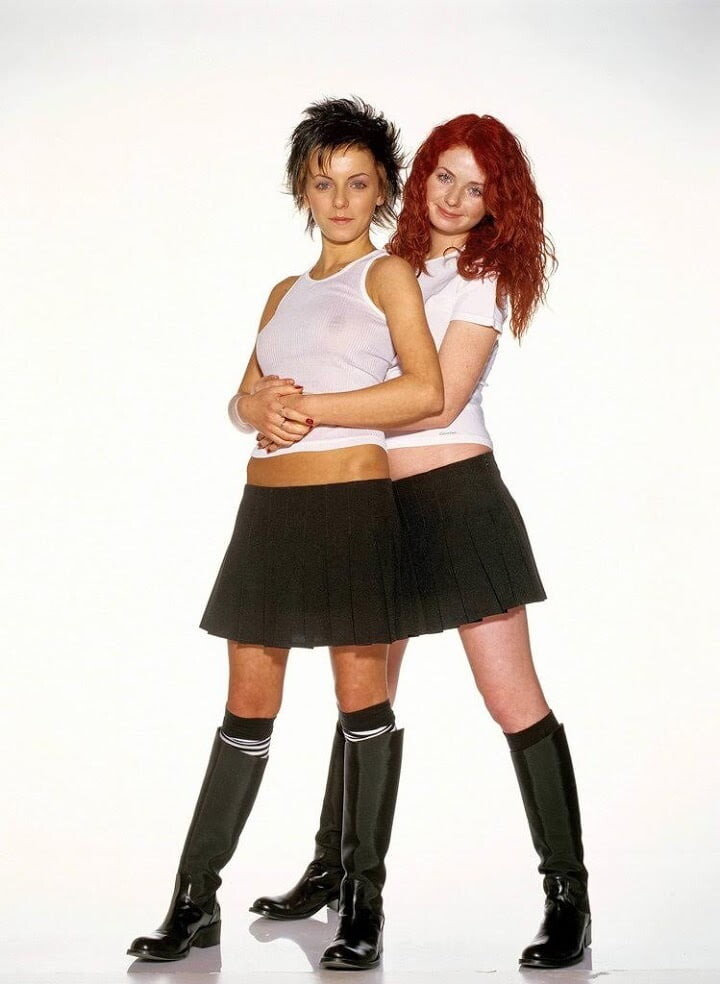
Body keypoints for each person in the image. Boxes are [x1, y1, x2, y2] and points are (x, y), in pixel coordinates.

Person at [251, 114, 591, 971]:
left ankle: (568, 898)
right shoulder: (383, 270)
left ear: (497, 205)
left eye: (478, 189)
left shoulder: (480, 280)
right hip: (375, 502)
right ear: (421, 175)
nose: (456, 198)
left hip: (457, 501)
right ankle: (334, 870)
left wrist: (310, 412)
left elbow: (436, 400)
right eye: (445, 176)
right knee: (365, 699)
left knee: (512, 698)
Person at [126, 96, 443, 971]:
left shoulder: (387, 276)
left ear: (381, 191)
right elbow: (243, 401)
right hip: (266, 512)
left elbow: (423, 392)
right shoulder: (283, 293)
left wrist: (311, 410)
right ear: (302, 190)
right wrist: (253, 407)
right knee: (246, 703)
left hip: (349, 506)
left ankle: (363, 903)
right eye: (323, 182)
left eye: (357, 183)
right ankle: (195, 902)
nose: (340, 199)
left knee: (361, 698)